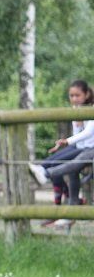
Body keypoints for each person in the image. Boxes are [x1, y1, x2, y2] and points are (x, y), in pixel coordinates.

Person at [27, 79, 94, 227]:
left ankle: (46, 174)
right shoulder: (76, 110)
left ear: (86, 94)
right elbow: (79, 135)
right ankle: (66, 207)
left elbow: (88, 133)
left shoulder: (91, 109)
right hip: (81, 146)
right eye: (71, 96)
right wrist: (69, 138)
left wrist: (68, 141)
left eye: (77, 95)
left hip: (89, 148)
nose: (74, 99)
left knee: (73, 164)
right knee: (59, 161)